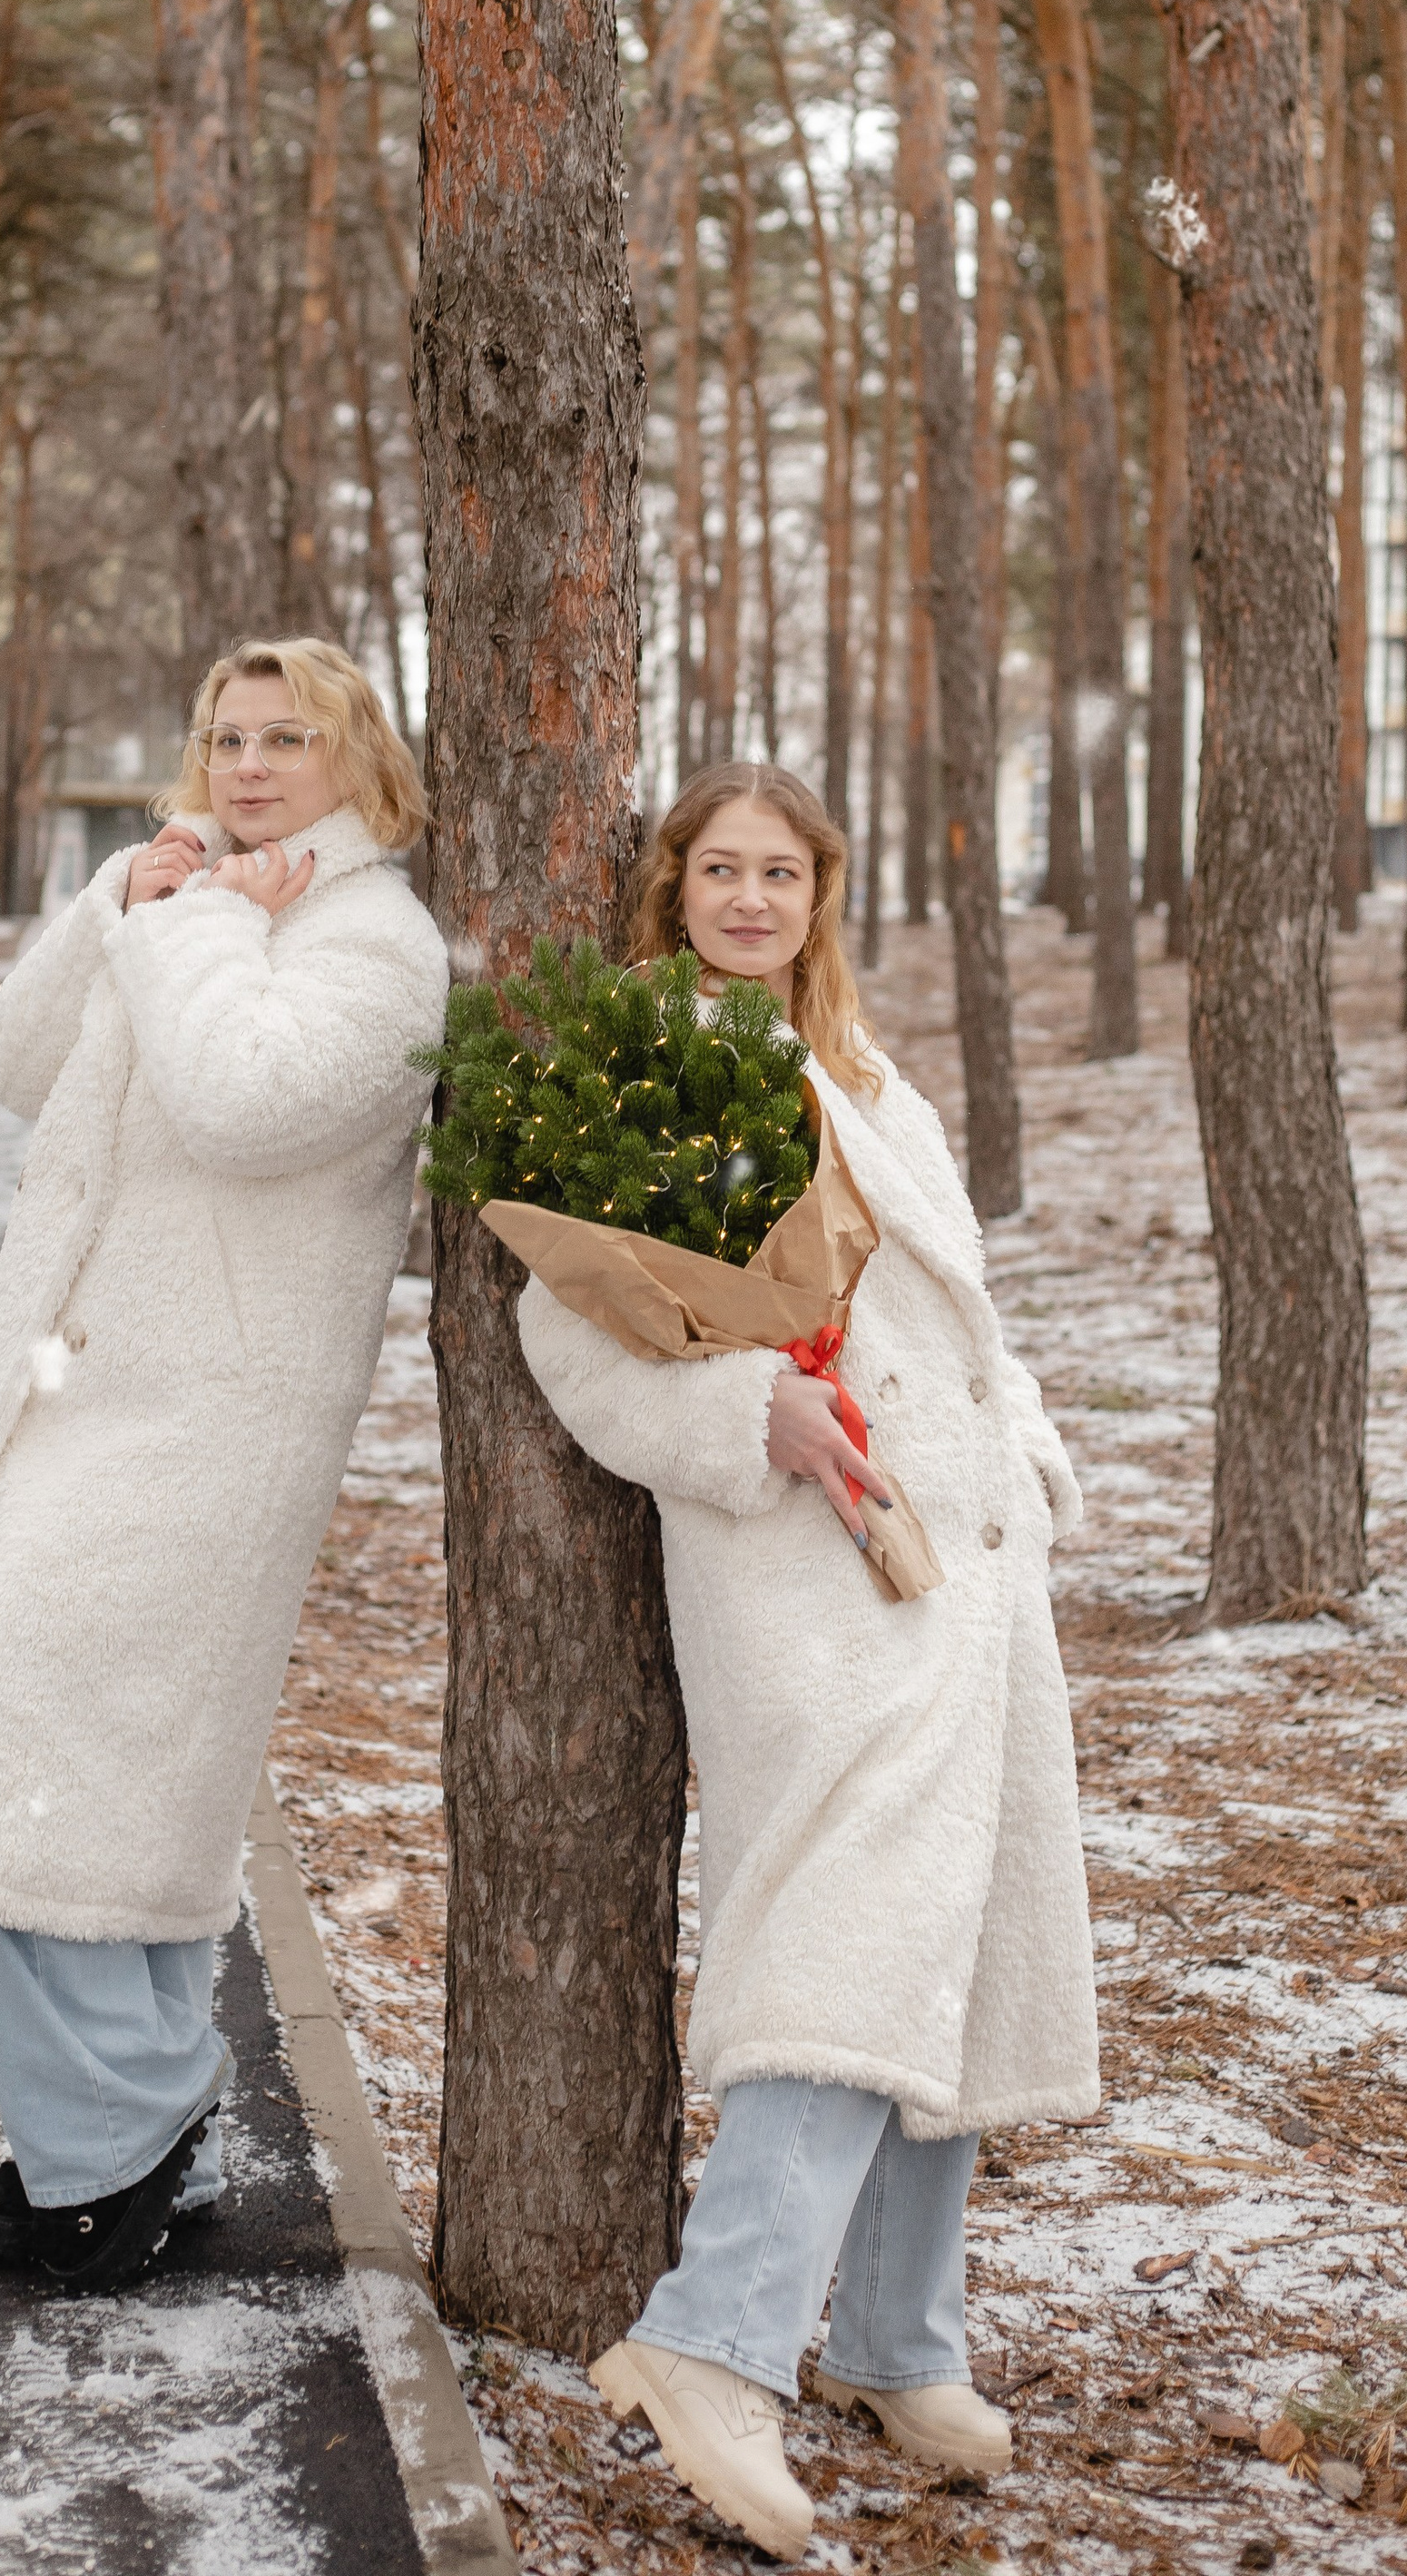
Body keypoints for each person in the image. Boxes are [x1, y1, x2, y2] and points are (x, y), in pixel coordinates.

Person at [516, 762, 1097, 2561]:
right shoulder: (645, 1062)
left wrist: (1022, 1450)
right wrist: (739, 1410)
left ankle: (893, 2340)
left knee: (961, 1933)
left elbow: (947, 1315)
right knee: (853, 1924)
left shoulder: (862, 1070)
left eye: (779, 870)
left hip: (955, 1562)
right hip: (798, 1569)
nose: (748, 897)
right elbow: (571, 1323)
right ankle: (708, 2343)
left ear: (817, 891)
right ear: (670, 886)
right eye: (717, 868)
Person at [0, 637, 447, 2292]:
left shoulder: (381, 944)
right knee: (105, 1788)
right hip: (84, 1399)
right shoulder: (196, 899)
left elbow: (247, 1102)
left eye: (289, 738)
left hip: (211, 1424)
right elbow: (21, 1072)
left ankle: (110, 2152)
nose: (249, 767)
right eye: (226, 737)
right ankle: (145, 2127)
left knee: (29, 1757)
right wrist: (124, 897)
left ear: (359, 760)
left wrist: (199, 933)